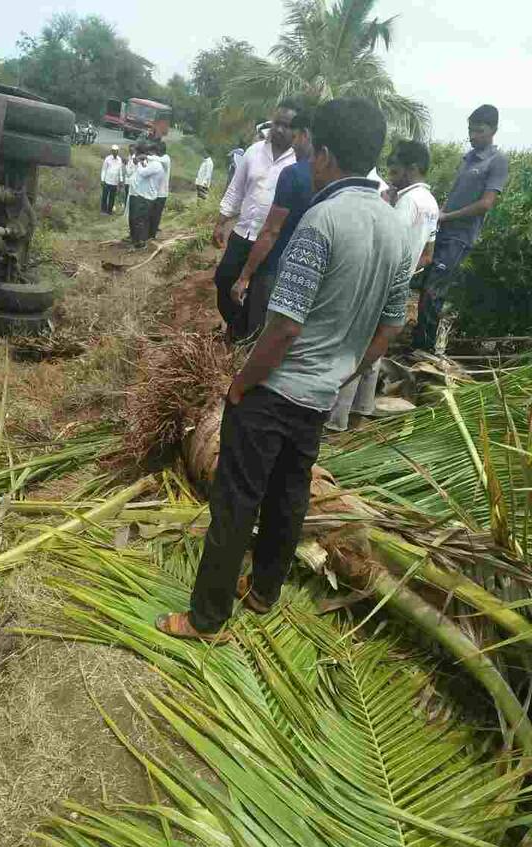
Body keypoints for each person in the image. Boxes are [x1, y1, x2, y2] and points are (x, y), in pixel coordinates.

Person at [155, 97, 411, 641]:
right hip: (319, 396)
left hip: (275, 388)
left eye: (313, 149)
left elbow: (284, 327)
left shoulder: (321, 220)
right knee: (288, 495)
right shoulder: (395, 232)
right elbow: (387, 330)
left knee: (235, 500)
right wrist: (341, 374)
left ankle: (207, 619)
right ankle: (264, 591)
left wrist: (240, 383)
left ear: (326, 155)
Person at [328, 139, 439, 431]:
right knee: (376, 347)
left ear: (412, 168)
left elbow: (388, 243)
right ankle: (362, 409)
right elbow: (428, 255)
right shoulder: (432, 204)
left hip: (380, 282)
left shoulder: (408, 202)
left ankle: (335, 420)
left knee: (354, 347)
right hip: (400, 284)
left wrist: (387, 207)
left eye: (395, 167)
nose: (390, 174)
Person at [414, 104, 508, 351]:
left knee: (434, 290)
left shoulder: (496, 161)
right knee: (424, 286)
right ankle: (418, 343)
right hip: (443, 230)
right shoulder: (467, 158)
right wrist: (439, 214)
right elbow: (455, 194)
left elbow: (486, 204)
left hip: (460, 237)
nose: (473, 135)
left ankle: (424, 350)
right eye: (470, 130)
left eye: (479, 131)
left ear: (493, 130)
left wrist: (449, 216)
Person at [212, 101, 299, 341]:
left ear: (297, 130)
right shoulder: (254, 151)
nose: (280, 129)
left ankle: (244, 339)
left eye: (287, 126)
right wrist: (221, 222)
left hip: (272, 242)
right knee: (223, 279)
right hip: (243, 233)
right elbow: (236, 190)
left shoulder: (298, 162)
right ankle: (235, 325)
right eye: (277, 124)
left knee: (258, 293)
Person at [230, 107, 314, 341]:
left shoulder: (294, 174)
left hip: (275, 266)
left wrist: (244, 277)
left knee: (258, 332)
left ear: (305, 135)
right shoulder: (330, 180)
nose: (293, 144)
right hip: (305, 275)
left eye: (295, 136)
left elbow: (271, 231)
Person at [128, 143, 162, 249]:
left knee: (140, 220)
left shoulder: (156, 165)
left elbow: (142, 173)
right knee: (140, 220)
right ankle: (139, 242)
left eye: (149, 153)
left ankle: (140, 243)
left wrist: (138, 163)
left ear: (152, 152)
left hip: (147, 196)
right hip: (146, 195)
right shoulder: (155, 163)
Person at [149, 141, 171, 239]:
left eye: (157, 150)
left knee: (156, 214)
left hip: (162, 193)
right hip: (155, 192)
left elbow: (158, 159)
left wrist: (146, 156)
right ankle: (150, 232)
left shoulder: (166, 158)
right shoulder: (158, 159)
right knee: (151, 214)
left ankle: (152, 235)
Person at [100, 145, 124, 214]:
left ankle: (109, 210)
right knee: (105, 196)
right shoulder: (108, 159)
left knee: (112, 197)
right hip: (107, 180)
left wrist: (121, 180)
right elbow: (104, 170)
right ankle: (103, 210)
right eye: (114, 151)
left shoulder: (119, 159)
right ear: (111, 151)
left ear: (118, 152)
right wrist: (102, 179)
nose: (115, 153)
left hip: (115, 181)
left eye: (116, 151)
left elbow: (120, 171)